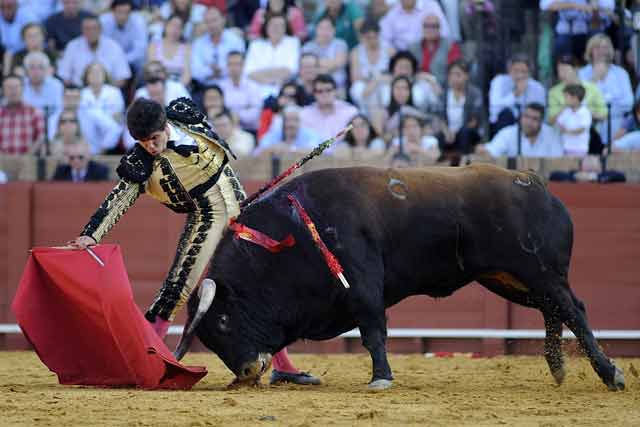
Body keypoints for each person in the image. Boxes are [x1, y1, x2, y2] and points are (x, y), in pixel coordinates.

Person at [67, 97, 320, 386]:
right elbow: (117, 200)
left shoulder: (185, 115)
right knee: (178, 287)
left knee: (262, 289)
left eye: (153, 138)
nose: (149, 146)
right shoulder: (141, 162)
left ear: (164, 126)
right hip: (207, 217)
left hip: (242, 209)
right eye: (141, 142)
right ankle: (141, 362)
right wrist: (92, 233)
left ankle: (283, 367)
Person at [480, 103, 564, 158]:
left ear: (541, 122)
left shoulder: (551, 134)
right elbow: (491, 152)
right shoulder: (508, 133)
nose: (529, 122)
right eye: (526, 117)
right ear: (520, 117)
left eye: (534, 119)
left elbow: (558, 160)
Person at [0, 74, 45, 154]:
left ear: (23, 89)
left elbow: (40, 138)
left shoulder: (34, 112)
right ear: (3, 90)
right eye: (9, 87)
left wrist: (26, 157)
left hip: (27, 162)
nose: (13, 91)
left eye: (16, 87)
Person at [556, 83, 592, 156]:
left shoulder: (585, 112)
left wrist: (567, 131)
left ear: (575, 98)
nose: (564, 100)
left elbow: (582, 129)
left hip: (580, 149)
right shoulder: (566, 111)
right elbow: (559, 122)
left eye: (566, 97)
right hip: (565, 147)